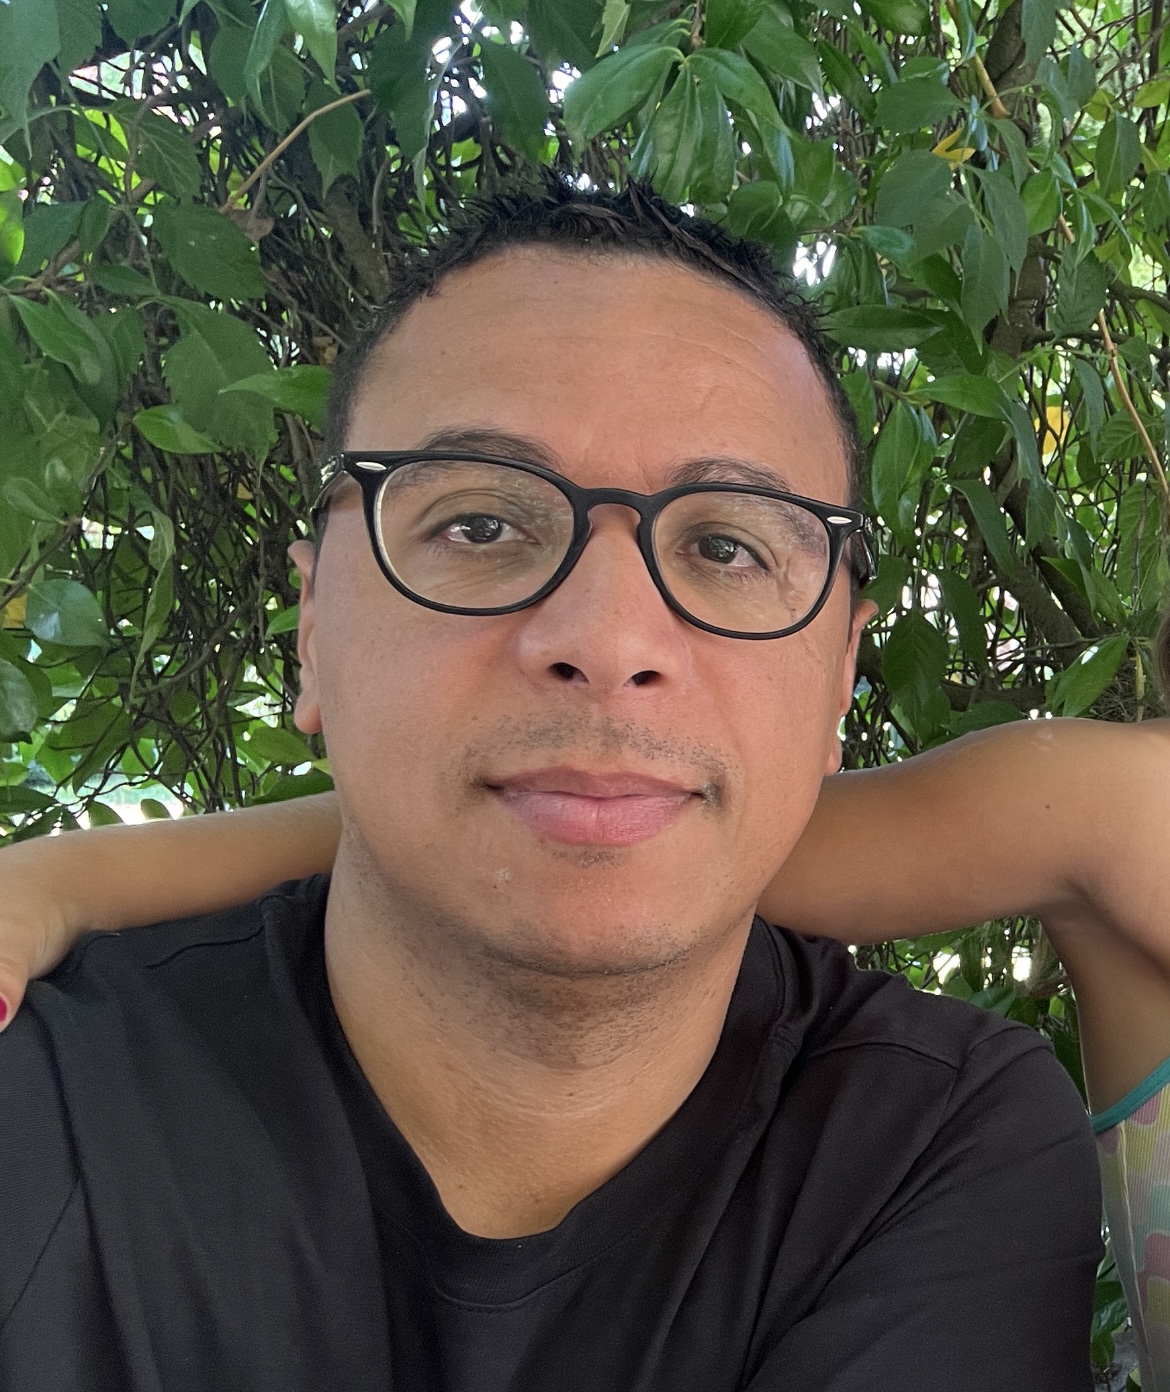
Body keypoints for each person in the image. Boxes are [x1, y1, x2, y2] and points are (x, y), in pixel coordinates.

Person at [0, 179, 1101, 1391]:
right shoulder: (41, 1109)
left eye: (725, 545)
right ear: (313, 627)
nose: (609, 637)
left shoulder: (932, 1146)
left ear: (842, 675)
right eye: (480, 526)